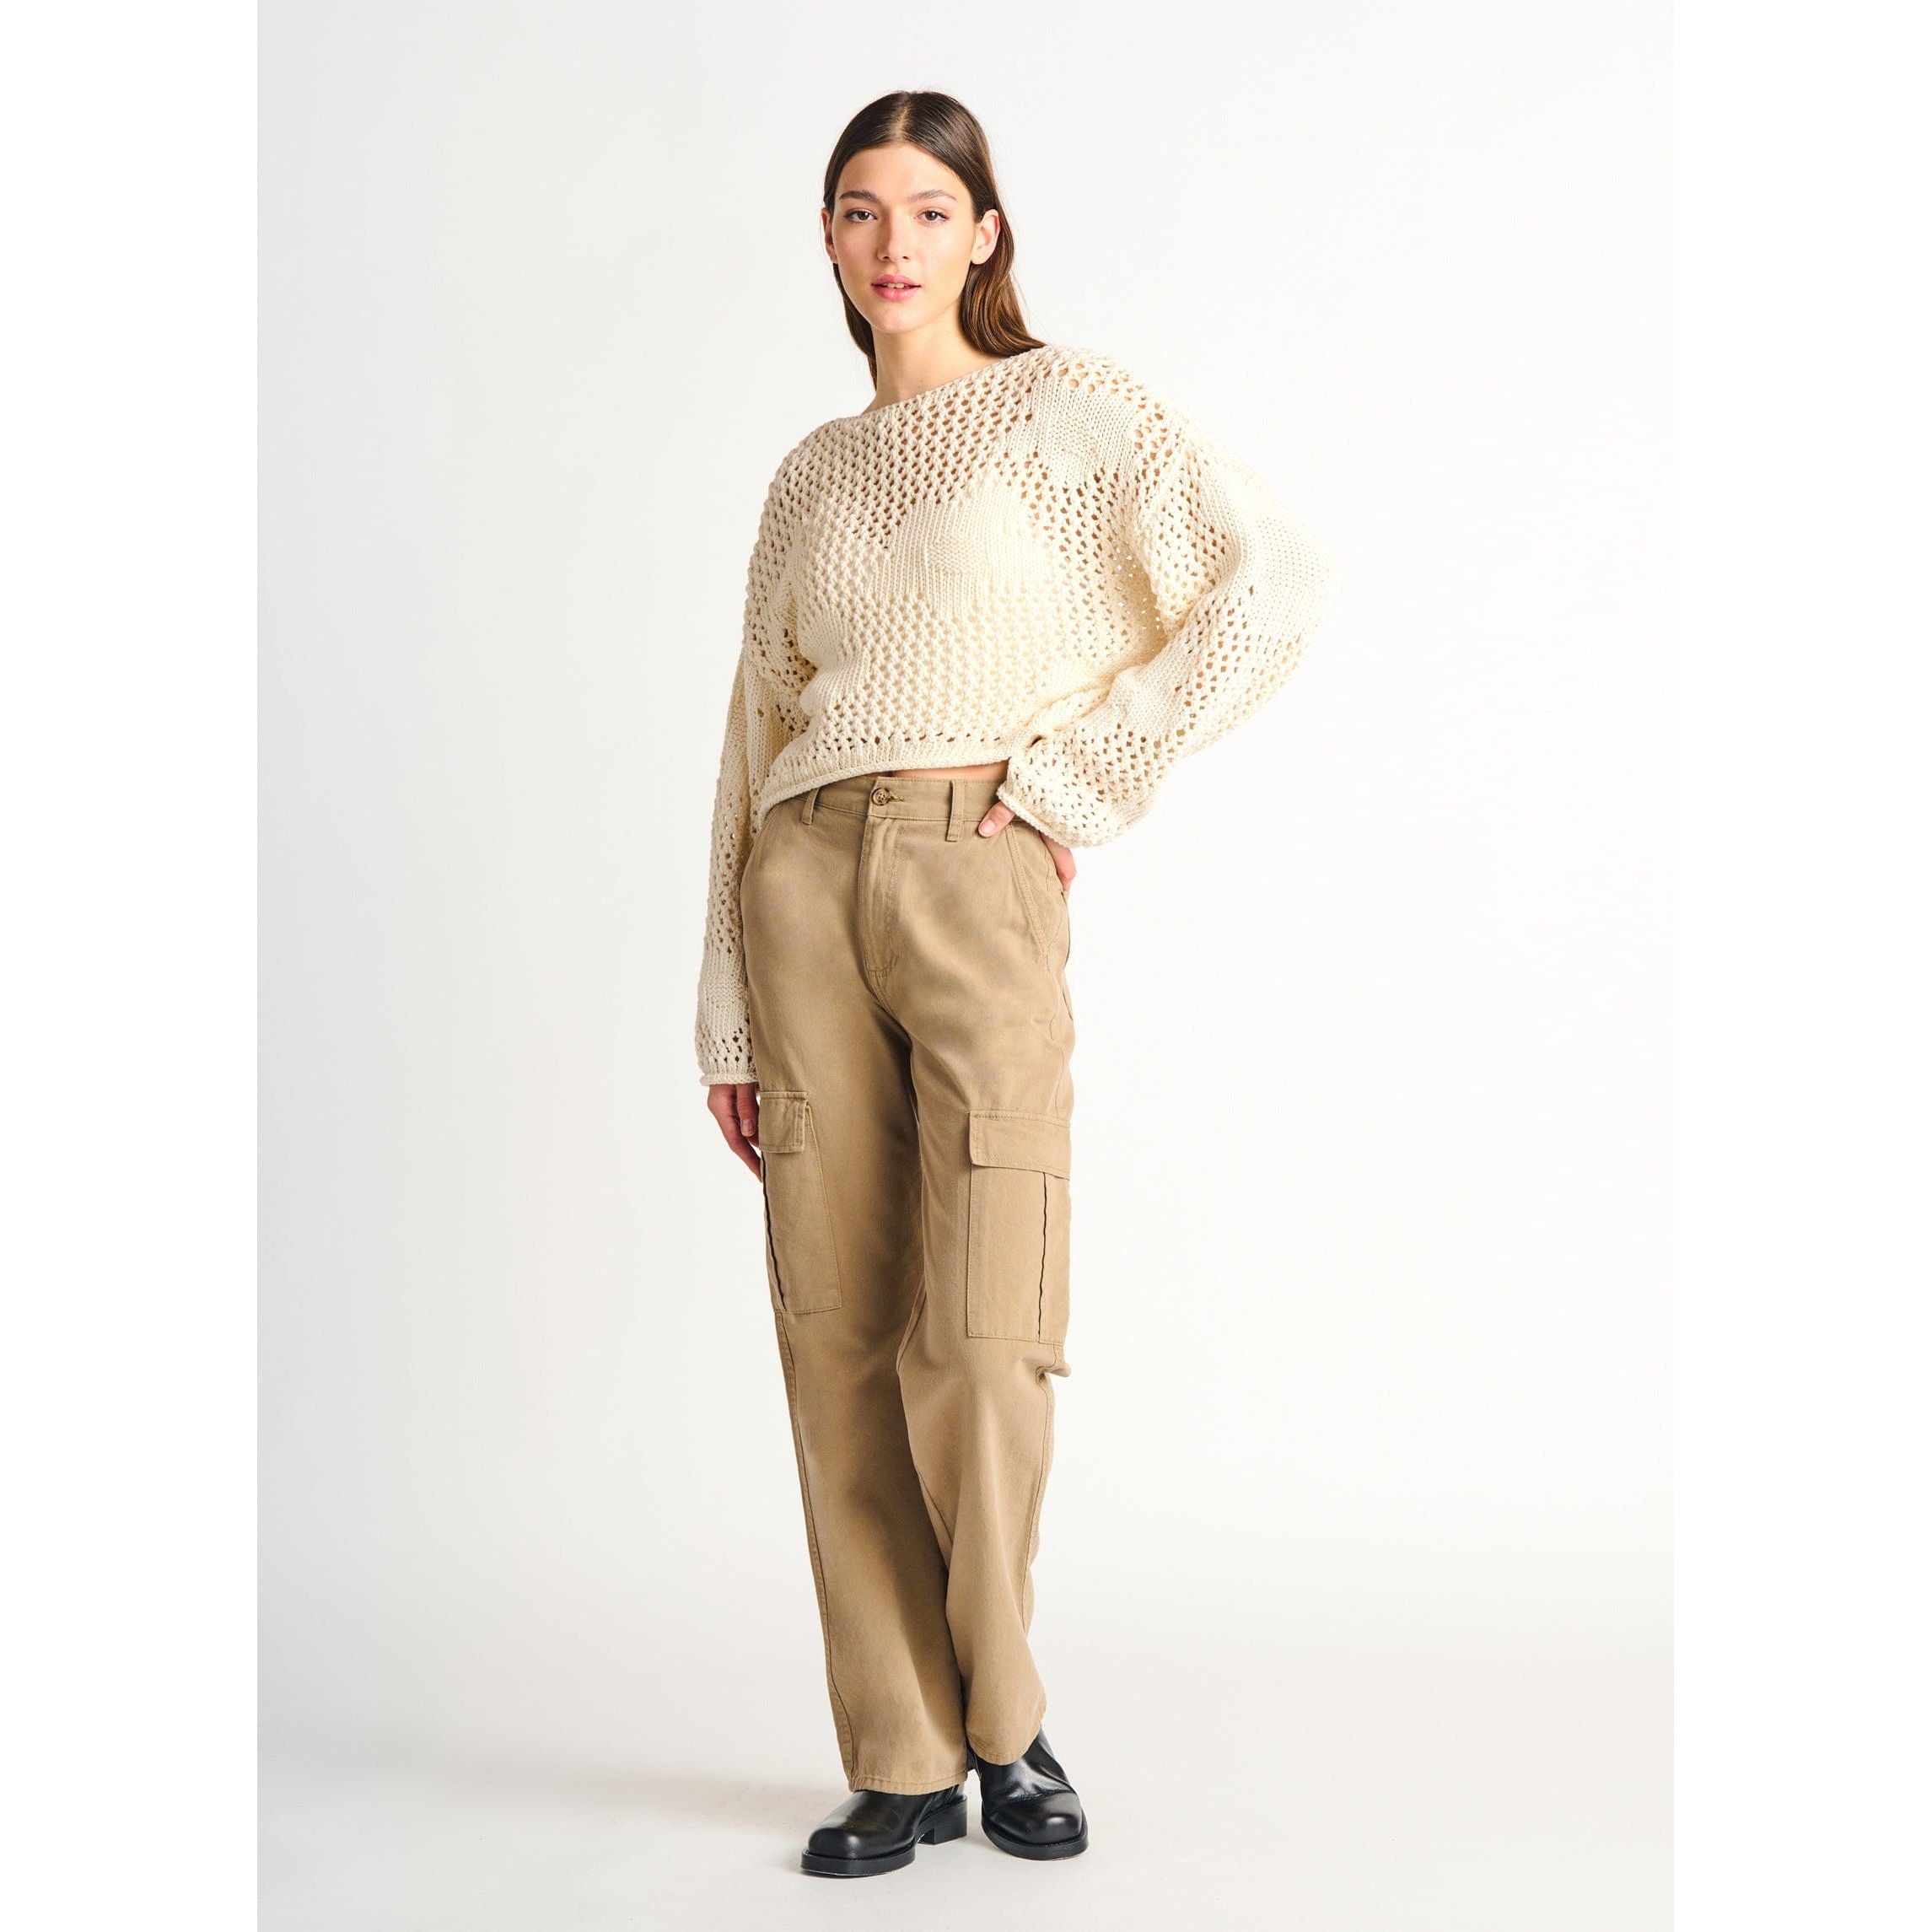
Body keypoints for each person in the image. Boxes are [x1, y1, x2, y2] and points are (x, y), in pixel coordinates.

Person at [693, 89, 1338, 1879]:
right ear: (830, 242)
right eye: (857, 210)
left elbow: (1269, 584)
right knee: (836, 1331)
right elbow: (749, 742)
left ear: (985, 231)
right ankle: (899, 1757)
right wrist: (727, 1006)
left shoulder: (1069, 410)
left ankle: (1004, 1719)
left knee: (984, 1333)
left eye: (927, 208)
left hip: (974, 863)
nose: (891, 242)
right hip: (801, 878)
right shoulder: (810, 477)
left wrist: (1075, 783)